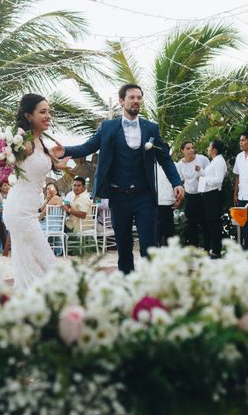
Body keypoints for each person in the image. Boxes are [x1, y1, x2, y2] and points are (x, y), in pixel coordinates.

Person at [51, 83, 184, 274]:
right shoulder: (108, 127)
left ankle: (150, 282)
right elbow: (88, 147)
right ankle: (127, 282)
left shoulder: (151, 128)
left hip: (144, 195)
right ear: (122, 101)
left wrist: (176, 183)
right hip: (118, 195)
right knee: (124, 245)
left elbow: (165, 158)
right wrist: (66, 150)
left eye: (139, 97)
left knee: (149, 244)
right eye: (132, 97)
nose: (136, 101)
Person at [3, 93, 69, 289]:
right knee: (46, 262)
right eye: (42, 112)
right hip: (20, 211)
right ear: (28, 116)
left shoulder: (40, 143)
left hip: (28, 211)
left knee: (29, 265)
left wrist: (56, 163)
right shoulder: (26, 143)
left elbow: (34, 167)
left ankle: (29, 305)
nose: (48, 115)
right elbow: (8, 163)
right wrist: (5, 150)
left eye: (49, 111)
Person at [176, 141, 210, 250]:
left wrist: (201, 175)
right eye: (188, 148)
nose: (191, 150)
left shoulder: (202, 159)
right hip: (190, 196)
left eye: (192, 148)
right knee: (191, 224)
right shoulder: (180, 164)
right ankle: (194, 249)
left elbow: (210, 173)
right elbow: (179, 180)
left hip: (203, 195)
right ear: (182, 151)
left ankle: (207, 248)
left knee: (205, 222)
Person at [198, 140, 228, 258]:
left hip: (214, 195)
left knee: (214, 223)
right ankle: (213, 248)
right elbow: (210, 175)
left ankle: (216, 251)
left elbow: (218, 180)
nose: (208, 149)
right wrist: (201, 171)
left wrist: (204, 181)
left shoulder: (219, 162)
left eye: (209, 147)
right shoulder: (215, 161)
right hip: (209, 194)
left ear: (214, 150)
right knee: (210, 222)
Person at [156, 164, 182, 246]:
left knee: (169, 234)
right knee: (155, 235)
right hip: (155, 204)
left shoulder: (175, 165)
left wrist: (179, 199)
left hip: (169, 204)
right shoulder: (151, 165)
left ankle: (169, 256)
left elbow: (180, 183)